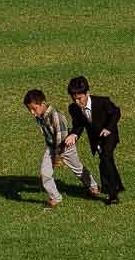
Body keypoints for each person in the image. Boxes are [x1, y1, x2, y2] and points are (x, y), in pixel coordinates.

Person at [23, 89, 100, 211]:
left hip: (65, 147)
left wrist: (58, 157)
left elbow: (61, 138)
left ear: (42, 103)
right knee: (45, 173)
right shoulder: (40, 115)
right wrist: (52, 152)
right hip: (51, 147)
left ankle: (93, 186)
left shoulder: (56, 116)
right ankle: (55, 197)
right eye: (30, 110)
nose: (32, 113)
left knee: (77, 168)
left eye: (34, 109)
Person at [64, 76, 124, 205]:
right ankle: (117, 185)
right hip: (96, 139)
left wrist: (108, 128)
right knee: (105, 161)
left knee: (106, 159)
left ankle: (113, 195)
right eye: (74, 99)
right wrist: (74, 134)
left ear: (87, 93)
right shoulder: (73, 108)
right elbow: (78, 125)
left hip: (109, 135)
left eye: (80, 98)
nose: (77, 102)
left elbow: (116, 113)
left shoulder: (103, 102)